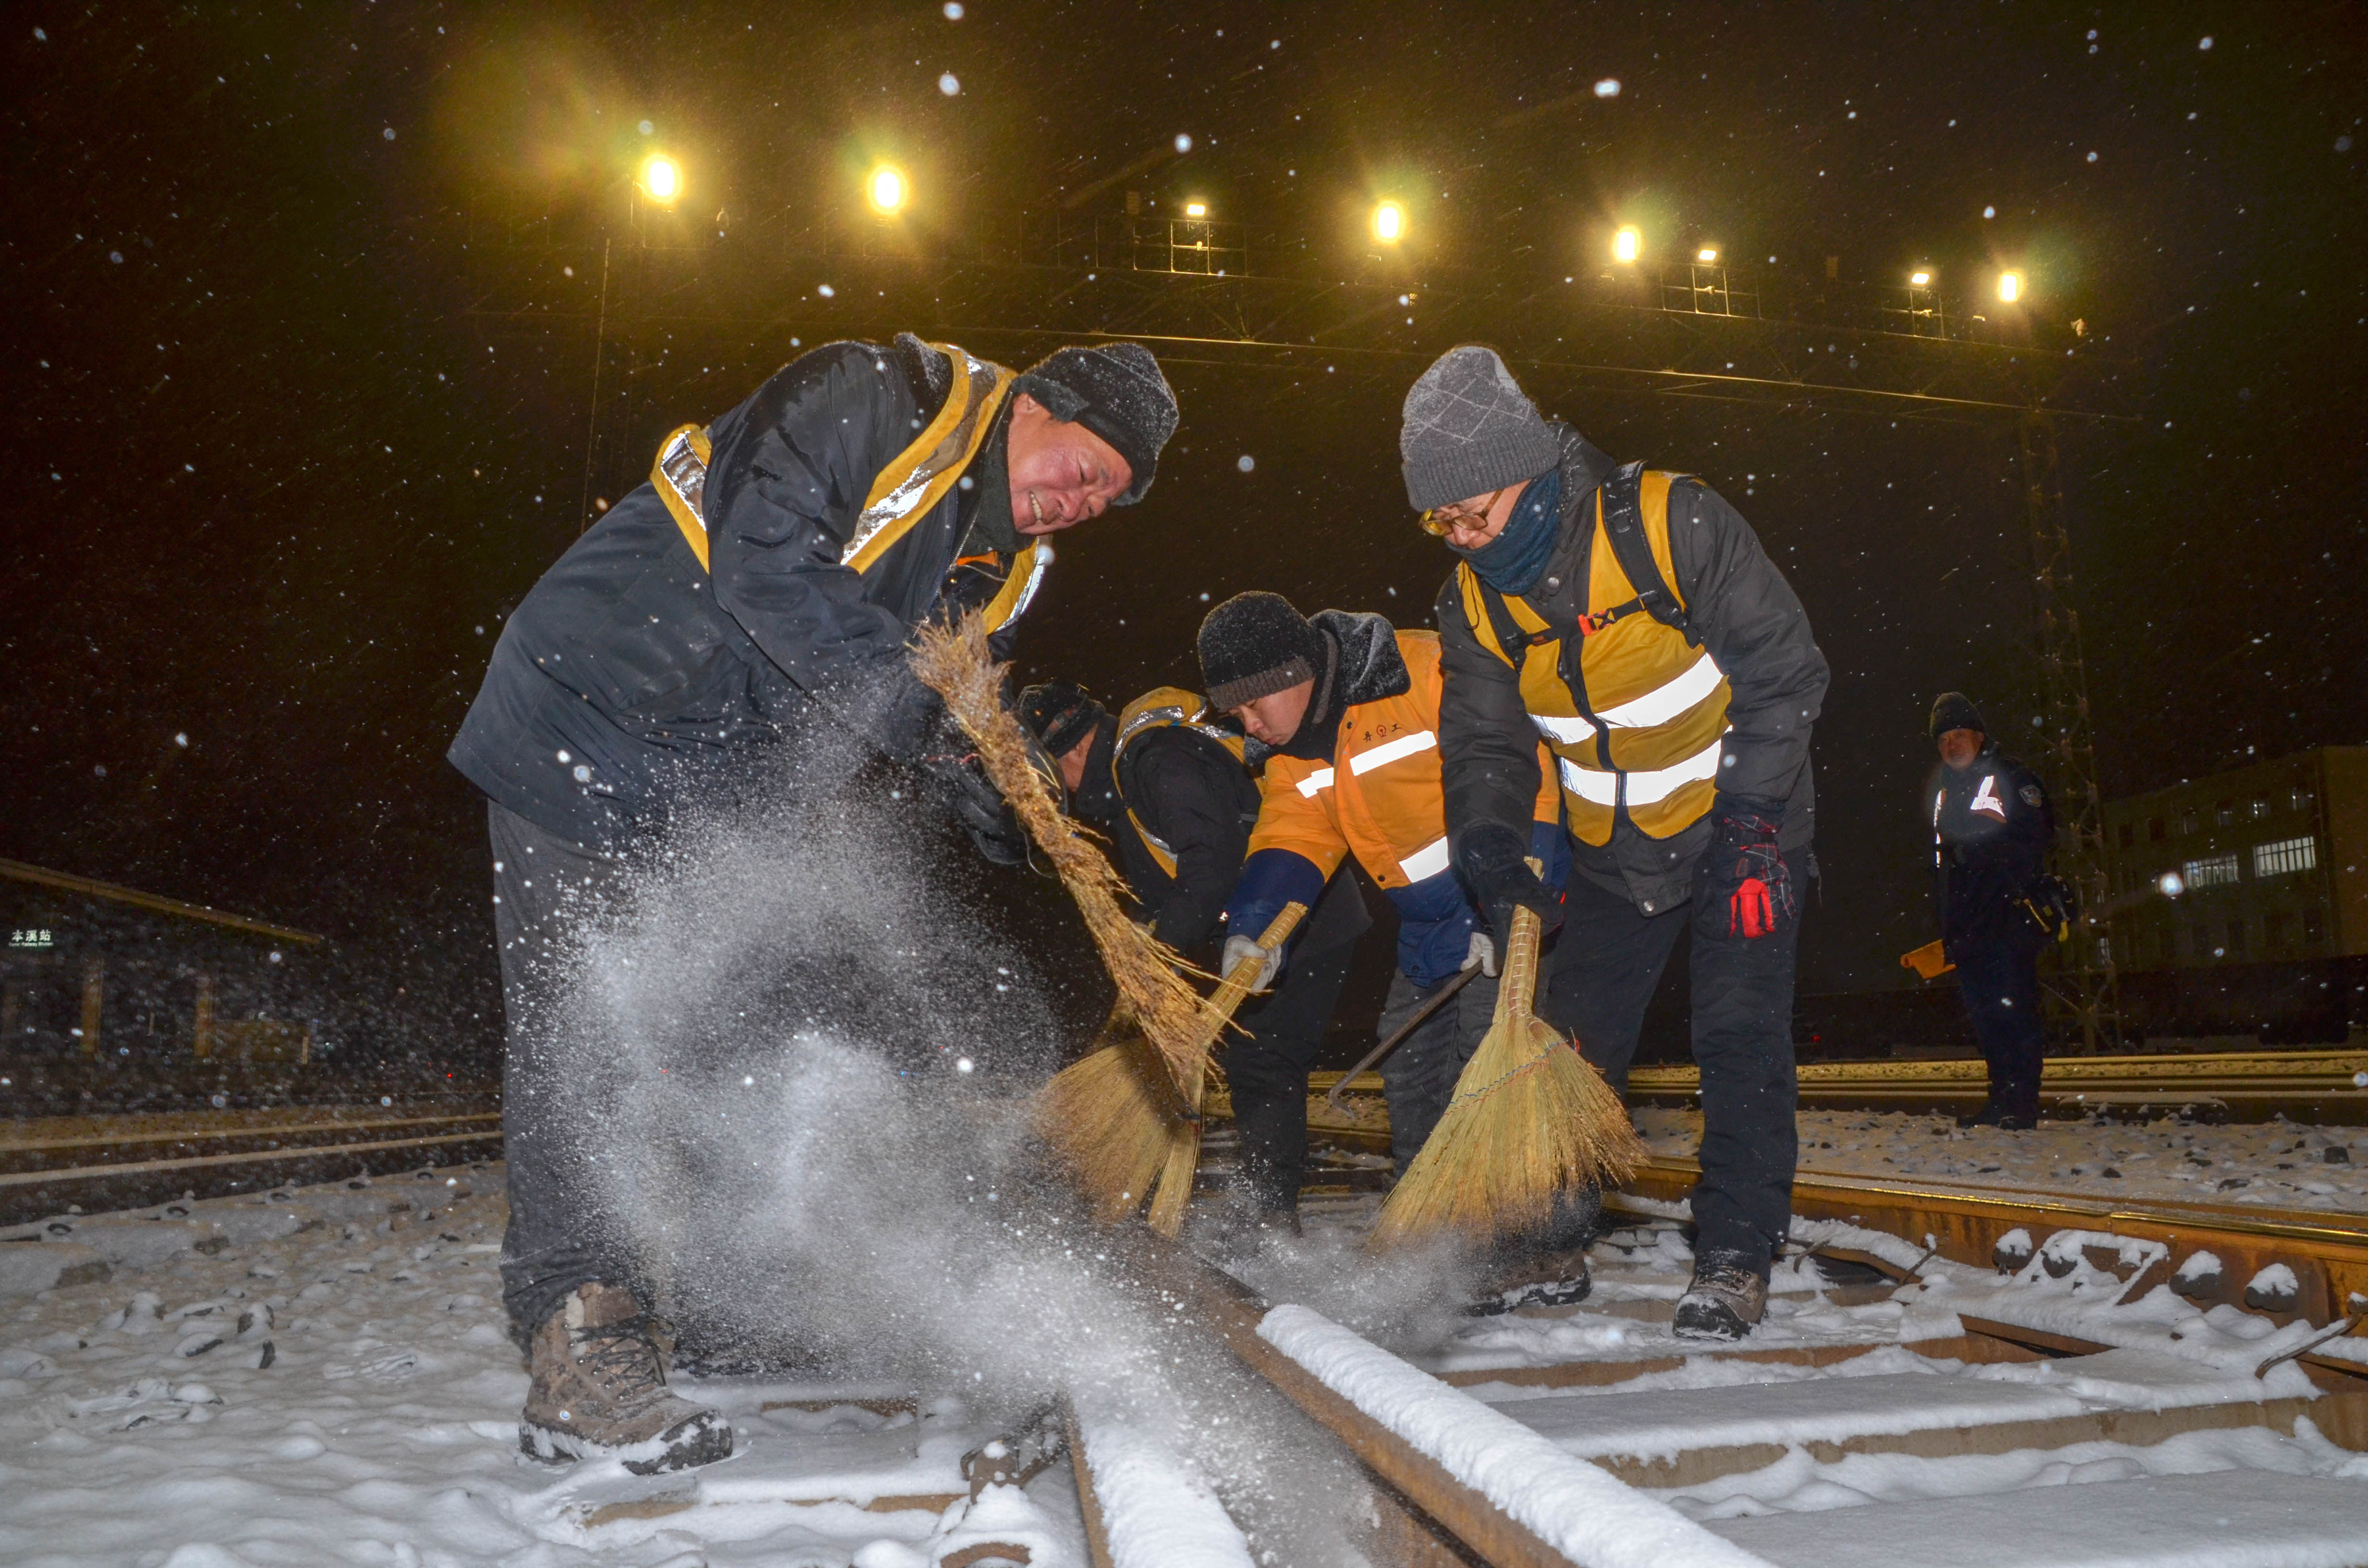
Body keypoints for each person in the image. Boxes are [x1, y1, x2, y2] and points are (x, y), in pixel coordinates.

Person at [449, 334, 1177, 1472]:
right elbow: (768, 570)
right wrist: (927, 726)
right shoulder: (876, 399)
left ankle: (733, 1307)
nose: (1085, 502)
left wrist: (993, 797)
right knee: (583, 1034)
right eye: (1086, 466)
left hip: (709, 779)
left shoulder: (1006, 570)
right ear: (1037, 405)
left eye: (1111, 499)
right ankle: (578, 1345)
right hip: (583, 715)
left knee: (745, 1024)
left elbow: (905, 716)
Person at [1409, 343, 1828, 1341]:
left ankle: (1734, 1251)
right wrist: (1491, 847)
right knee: (1574, 1053)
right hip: (1610, 850)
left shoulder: (1666, 522)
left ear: (1527, 467)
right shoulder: (1471, 602)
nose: (1464, 539)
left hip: (1742, 824)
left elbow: (1785, 674)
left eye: (1476, 512)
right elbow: (1484, 745)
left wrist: (1751, 828)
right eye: (1442, 523)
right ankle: (1552, 1242)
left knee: (1737, 1034)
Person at [1200, 592, 1580, 1302]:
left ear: (1294, 674)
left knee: (1492, 1073)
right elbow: (1293, 832)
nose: (1247, 726)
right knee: (1411, 1071)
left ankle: (1533, 1250)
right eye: (1235, 714)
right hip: (1429, 921)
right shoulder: (1293, 748)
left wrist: (1514, 899)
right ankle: (1432, 1242)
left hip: (1503, 890)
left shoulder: (1424, 672)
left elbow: (1521, 772)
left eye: (1253, 706)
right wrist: (1252, 927)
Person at [1017, 680, 1370, 1231]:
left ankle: (1269, 1219)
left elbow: (1211, 866)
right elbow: (1174, 882)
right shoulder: (1128, 775)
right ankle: (1265, 1207)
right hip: (1273, 922)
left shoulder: (1155, 758)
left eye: (1046, 772)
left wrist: (1155, 952)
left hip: (1297, 918)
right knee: (1258, 1063)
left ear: (1075, 749)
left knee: (1264, 1064)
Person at [1925, 692, 2058, 1130]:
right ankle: (2001, 1099)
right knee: (1987, 1018)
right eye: (1944, 739)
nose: (1952, 745)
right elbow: (1942, 865)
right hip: (1968, 926)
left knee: (2013, 1012)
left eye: (1960, 734)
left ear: (1980, 737)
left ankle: (2021, 1105)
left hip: (2006, 919)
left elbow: (2036, 836)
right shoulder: (1945, 791)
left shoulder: (2011, 776)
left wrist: (1980, 857)